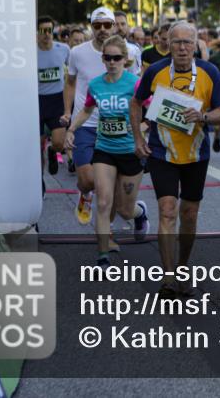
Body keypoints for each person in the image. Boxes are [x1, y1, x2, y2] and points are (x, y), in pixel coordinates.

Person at [132, 21, 220, 297]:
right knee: (167, 211)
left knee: (188, 215)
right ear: (168, 44)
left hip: (196, 154)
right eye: (177, 42)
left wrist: (205, 117)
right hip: (162, 153)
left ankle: (183, 267)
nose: (183, 47)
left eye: (188, 42)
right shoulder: (155, 71)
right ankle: (168, 277)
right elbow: (136, 102)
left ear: (196, 44)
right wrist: (138, 140)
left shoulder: (209, 72)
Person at [65, 35, 148, 269]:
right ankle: (102, 257)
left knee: (124, 209)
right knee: (102, 203)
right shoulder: (96, 85)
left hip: (130, 152)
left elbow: (153, 110)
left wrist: (143, 127)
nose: (112, 62)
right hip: (105, 150)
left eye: (117, 58)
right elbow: (87, 110)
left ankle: (140, 213)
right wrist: (72, 128)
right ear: (103, 59)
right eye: (108, 58)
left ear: (125, 59)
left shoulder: (135, 84)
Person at [62, 7, 142, 226]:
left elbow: (136, 91)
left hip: (118, 127)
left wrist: (140, 128)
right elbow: (69, 83)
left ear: (114, 26)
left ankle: (109, 237)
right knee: (87, 180)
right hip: (87, 123)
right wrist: (68, 113)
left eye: (107, 24)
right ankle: (86, 193)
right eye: (97, 25)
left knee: (112, 192)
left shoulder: (131, 52)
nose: (102, 29)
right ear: (91, 27)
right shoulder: (77, 52)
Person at [37, 15, 70, 178]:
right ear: (37, 33)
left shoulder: (63, 49)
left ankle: (53, 151)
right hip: (37, 101)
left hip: (57, 100)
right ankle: (39, 182)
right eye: (43, 31)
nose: (46, 34)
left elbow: (73, 73)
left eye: (49, 30)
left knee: (59, 143)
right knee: (37, 149)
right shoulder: (29, 52)